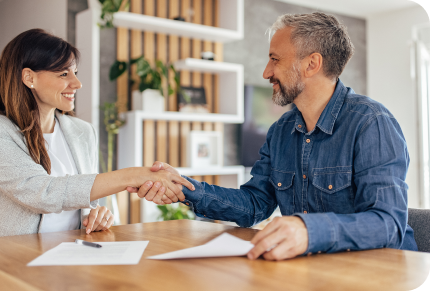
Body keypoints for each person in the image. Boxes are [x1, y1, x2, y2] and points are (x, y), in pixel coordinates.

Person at [129, 12, 418, 260]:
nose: (267, 72)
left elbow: (387, 224)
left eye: (275, 59)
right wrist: (185, 188)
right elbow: (255, 204)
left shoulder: (371, 124)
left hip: (382, 275)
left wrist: (307, 230)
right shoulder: (281, 130)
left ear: (311, 64)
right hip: (317, 271)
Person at [0, 29, 194, 239]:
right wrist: (134, 175)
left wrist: (94, 215)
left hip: (69, 255)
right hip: (5, 259)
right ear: (29, 78)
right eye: (64, 73)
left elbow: (85, 195)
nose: (77, 83)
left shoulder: (82, 131)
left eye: (75, 73)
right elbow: (44, 193)